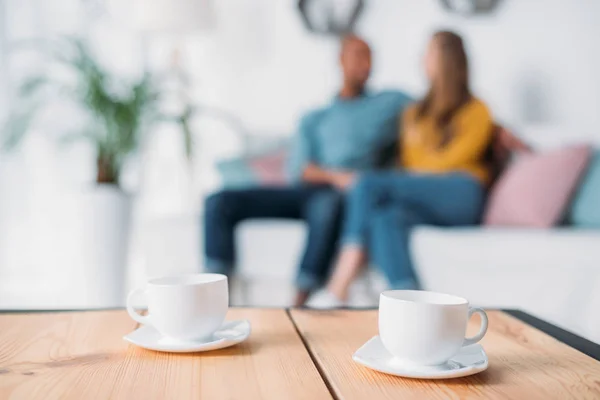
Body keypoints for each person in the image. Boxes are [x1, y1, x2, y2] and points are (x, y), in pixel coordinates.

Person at [204, 35, 413, 306]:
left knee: (327, 203)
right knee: (219, 201)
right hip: (304, 190)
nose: (364, 63)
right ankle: (213, 296)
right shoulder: (315, 117)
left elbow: (435, 108)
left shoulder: (389, 104)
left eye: (369, 56)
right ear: (340, 60)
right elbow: (299, 170)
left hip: (343, 197)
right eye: (357, 55)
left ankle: (301, 299)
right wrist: (338, 176)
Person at [309, 30, 494, 307]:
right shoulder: (414, 113)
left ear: (445, 60)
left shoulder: (477, 110)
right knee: (385, 217)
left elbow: (454, 160)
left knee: (368, 184)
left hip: (462, 192)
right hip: (425, 193)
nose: (422, 59)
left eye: (428, 52)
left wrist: (418, 171)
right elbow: (411, 160)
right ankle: (409, 302)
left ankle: (339, 285)